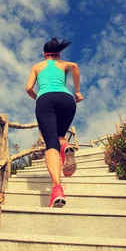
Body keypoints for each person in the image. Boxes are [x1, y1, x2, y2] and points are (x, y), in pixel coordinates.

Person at [25, 38, 83, 208]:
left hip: (46, 100)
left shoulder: (37, 66)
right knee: (60, 136)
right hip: (66, 99)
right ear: (58, 54)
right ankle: (66, 148)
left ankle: (57, 188)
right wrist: (77, 92)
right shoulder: (64, 64)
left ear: (45, 54)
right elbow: (75, 67)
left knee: (51, 143)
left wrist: (39, 98)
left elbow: (28, 88)